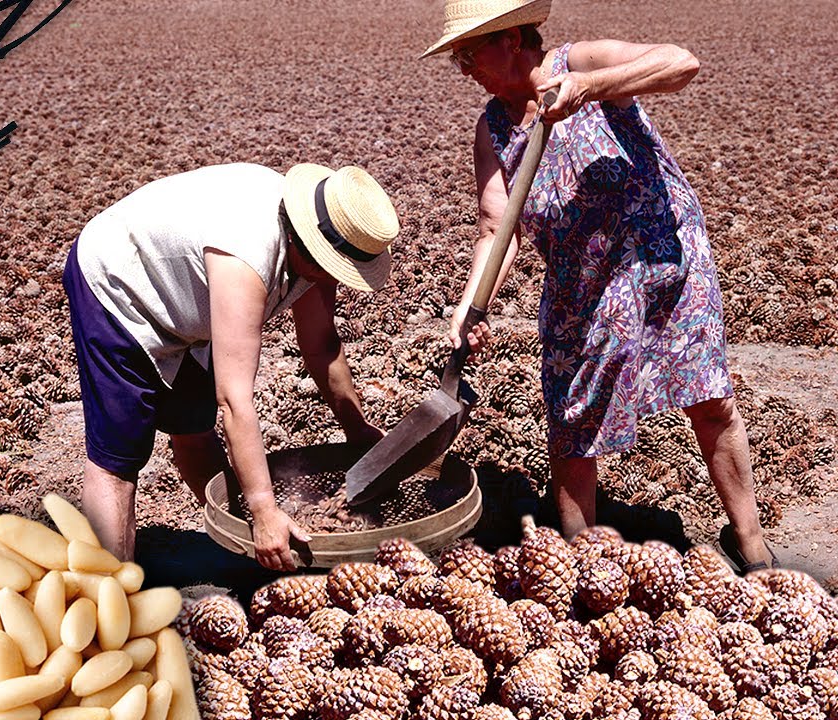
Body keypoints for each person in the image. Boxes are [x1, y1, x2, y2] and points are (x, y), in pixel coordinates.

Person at [423, 0, 775, 572]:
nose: (464, 67)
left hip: (661, 261)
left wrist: (590, 86)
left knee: (710, 399)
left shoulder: (580, 61)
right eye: (457, 57)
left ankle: (751, 543)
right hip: (579, 287)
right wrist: (471, 304)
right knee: (573, 424)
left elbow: (680, 63)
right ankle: (581, 568)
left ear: (511, 39)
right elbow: (497, 226)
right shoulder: (491, 128)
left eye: (469, 52)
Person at [65, 162, 399, 571]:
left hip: (186, 298)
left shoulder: (320, 243)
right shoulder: (247, 254)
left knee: (194, 427)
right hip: (119, 284)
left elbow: (321, 346)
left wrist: (357, 428)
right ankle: (110, 595)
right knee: (118, 459)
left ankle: (239, 551)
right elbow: (235, 400)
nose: (340, 279)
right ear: (314, 248)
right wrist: (263, 508)